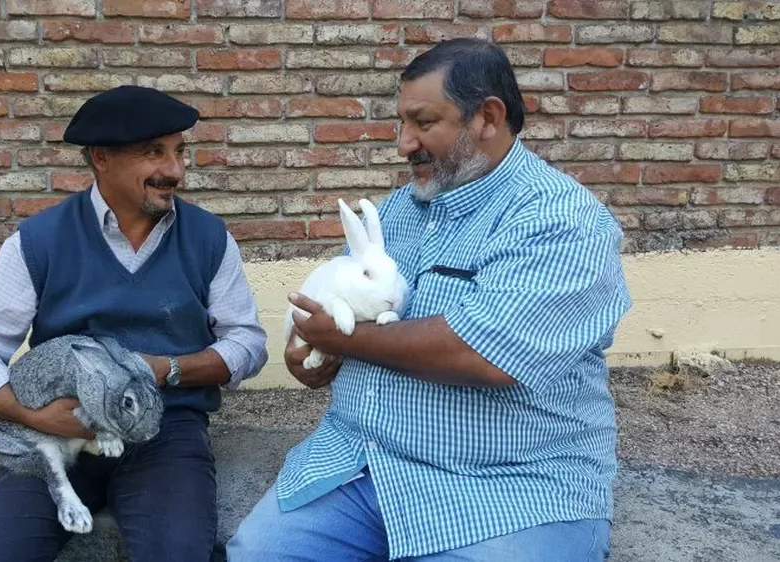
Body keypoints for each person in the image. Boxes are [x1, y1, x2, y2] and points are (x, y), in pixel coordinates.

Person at [226, 38, 632, 562]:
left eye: (423, 123)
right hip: (360, 463)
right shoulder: (396, 212)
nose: (403, 143)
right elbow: (347, 301)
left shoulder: (562, 222)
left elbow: (484, 353)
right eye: (402, 123)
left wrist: (345, 335)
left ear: (486, 117)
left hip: (511, 487)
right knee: (258, 555)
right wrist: (315, 354)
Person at [0, 85, 269, 561]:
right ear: (101, 158)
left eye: (179, 152)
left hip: (166, 428)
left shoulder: (208, 238)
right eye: (153, 153)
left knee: (177, 552)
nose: (174, 170)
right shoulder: (40, 240)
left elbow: (247, 342)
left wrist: (164, 370)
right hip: (59, 426)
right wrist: (31, 415)